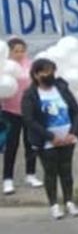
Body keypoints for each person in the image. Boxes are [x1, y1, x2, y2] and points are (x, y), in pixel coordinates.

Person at [20, 58, 78, 220]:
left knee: (66, 171)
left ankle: (69, 201)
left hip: (67, 138)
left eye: (52, 71)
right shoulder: (30, 94)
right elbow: (29, 119)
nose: (50, 74)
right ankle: (54, 205)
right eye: (45, 71)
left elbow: (76, 112)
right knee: (51, 172)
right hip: (46, 140)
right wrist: (50, 137)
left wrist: (73, 132)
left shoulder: (62, 88)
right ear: (36, 74)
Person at [2, 37, 41, 195]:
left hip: (29, 111)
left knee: (30, 144)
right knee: (11, 146)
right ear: (9, 51)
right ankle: (8, 179)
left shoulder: (30, 65)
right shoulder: (4, 66)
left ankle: (30, 175)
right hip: (9, 112)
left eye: (22, 50)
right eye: (15, 51)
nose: (19, 54)